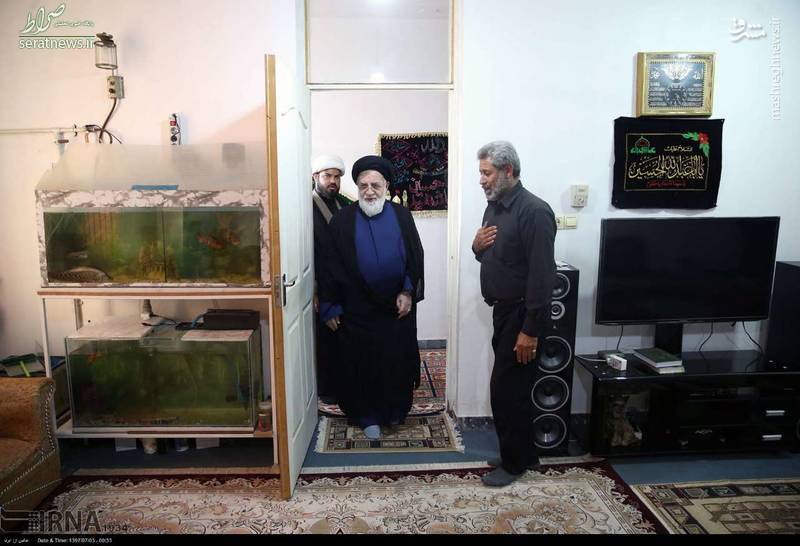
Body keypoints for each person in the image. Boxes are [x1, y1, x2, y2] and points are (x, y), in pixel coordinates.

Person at [318, 155, 424, 440]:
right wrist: (329, 306)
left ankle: (393, 411)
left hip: (395, 307)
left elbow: (414, 258)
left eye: (375, 185)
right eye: (363, 185)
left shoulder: (401, 216)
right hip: (357, 310)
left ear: (386, 186)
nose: (369, 191)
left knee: (394, 361)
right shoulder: (342, 221)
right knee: (361, 364)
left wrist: (407, 291)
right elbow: (329, 266)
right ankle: (366, 415)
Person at [471, 141, 557, 487]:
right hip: (503, 313)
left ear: (508, 170)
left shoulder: (534, 212)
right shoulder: (493, 208)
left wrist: (530, 330)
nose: (481, 180)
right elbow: (490, 254)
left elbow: (542, 276)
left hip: (523, 316)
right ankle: (522, 453)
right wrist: (476, 248)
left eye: (486, 172)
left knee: (507, 391)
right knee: (512, 390)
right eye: (480, 173)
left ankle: (514, 464)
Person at [311, 155, 352, 404]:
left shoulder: (343, 204)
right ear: (316, 177)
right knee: (325, 338)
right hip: (320, 284)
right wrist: (315, 290)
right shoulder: (307, 207)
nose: (333, 181)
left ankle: (344, 387)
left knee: (342, 336)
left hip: (342, 283)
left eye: (337, 177)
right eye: (327, 176)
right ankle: (327, 392)